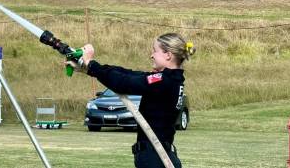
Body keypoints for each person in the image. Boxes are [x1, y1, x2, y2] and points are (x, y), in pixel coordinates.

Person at [68, 33, 195, 168]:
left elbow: (123, 82)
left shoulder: (164, 81)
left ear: (168, 55)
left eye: (155, 51)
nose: (151, 55)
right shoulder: (170, 79)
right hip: (159, 155)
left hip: (156, 158)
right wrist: (89, 69)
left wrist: (91, 63)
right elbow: (127, 74)